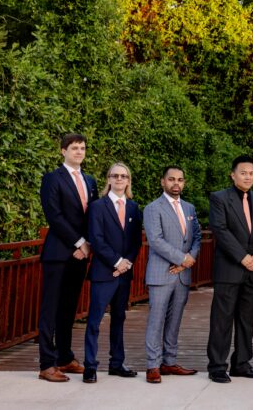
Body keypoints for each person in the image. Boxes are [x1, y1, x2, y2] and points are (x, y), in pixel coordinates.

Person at [37, 132, 98, 382]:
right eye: (74, 148)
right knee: (50, 309)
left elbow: (92, 215)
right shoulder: (52, 178)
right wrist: (78, 241)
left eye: (82, 148)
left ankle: (65, 357)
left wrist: (87, 244)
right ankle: (46, 363)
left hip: (80, 255)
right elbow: (54, 215)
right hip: (58, 253)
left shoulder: (90, 180)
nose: (79, 152)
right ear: (63, 151)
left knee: (68, 309)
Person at [206, 155, 253, 383]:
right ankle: (217, 366)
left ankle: (242, 363)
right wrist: (243, 257)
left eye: (252, 173)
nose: (248, 177)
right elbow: (220, 230)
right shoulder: (219, 198)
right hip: (229, 269)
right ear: (233, 175)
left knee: (247, 319)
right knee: (222, 320)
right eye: (243, 172)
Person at [82, 162, 141, 382]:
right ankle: (90, 366)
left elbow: (135, 241)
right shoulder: (97, 206)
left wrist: (126, 264)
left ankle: (117, 363)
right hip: (103, 273)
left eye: (123, 176)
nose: (119, 179)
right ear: (108, 179)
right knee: (95, 321)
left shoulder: (134, 208)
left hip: (124, 274)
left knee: (119, 318)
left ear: (128, 181)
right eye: (115, 175)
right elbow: (96, 239)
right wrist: (116, 262)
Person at [143, 166, 202, 383]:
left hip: (182, 275)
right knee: (156, 320)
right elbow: (156, 240)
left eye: (180, 180)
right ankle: (152, 365)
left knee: (174, 321)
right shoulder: (152, 208)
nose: (176, 183)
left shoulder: (189, 208)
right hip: (161, 273)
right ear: (163, 182)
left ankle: (169, 362)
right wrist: (181, 258)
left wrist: (188, 262)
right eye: (171, 179)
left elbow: (196, 236)